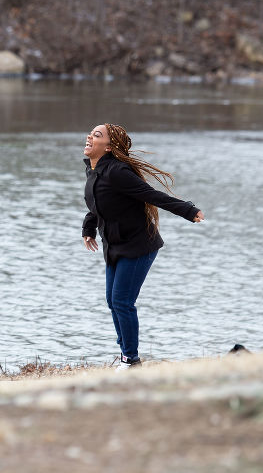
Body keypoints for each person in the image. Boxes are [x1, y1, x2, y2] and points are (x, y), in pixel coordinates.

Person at [82, 124, 204, 370]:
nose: (89, 136)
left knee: (122, 302)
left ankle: (130, 360)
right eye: (91, 133)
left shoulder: (118, 172)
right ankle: (126, 354)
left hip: (139, 245)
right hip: (114, 245)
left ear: (108, 147)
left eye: (97, 135)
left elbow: (151, 195)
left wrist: (188, 210)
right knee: (112, 301)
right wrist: (88, 228)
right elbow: (98, 204)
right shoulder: (93, 171)